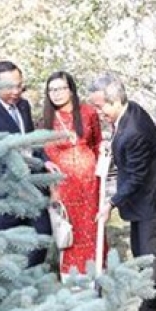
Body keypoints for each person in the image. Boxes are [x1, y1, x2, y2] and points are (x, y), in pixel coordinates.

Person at [91, 74, 156, 309]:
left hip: (152, 194)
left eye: (100, 107)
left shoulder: (134, 131)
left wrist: (111, 203)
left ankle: (152, 306)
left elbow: (137, 176)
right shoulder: (129, 112)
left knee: (148, 250)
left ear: (116, 101)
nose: (98, 112)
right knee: (138, 247)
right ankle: (143, 293)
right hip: (142, 191)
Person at [0, 60, 51, 266]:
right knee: (9, 247)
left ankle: (33, 281)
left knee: (43, 235)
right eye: (10, 86)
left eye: (20, 85)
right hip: (6, 192)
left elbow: (30, 141)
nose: (16, 91)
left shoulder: (23, 105)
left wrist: (45, 162)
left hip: (32, 185)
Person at [42, 71, 105, 275]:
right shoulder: (48, 118)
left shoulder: (88, 112)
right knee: (71, 228)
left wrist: (98, 170)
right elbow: (48, 151)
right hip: (65, 184)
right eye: (52, 90)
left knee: (92, 226)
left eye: (61, 88)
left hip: (90, 182)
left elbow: (96, 142)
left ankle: (97, 269)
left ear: (71, 89)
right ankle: (72, 276)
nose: (56, 94)